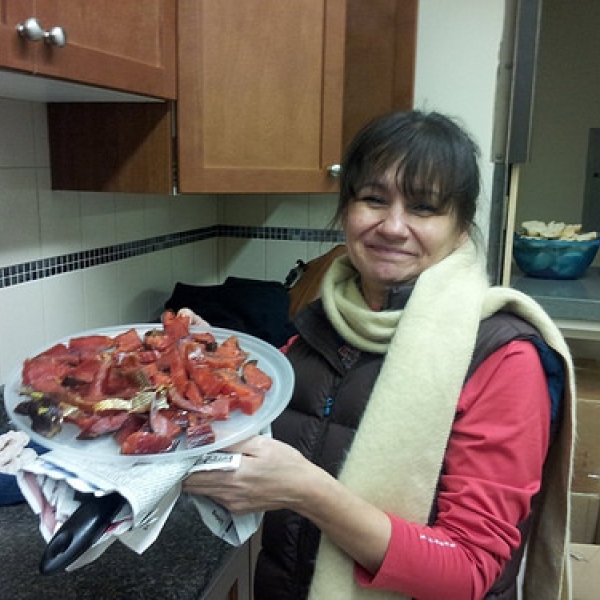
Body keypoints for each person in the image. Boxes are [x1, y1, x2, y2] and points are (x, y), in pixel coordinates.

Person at [182, 110, 575, 600]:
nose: (393, 226)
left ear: (460, 227)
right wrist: (208, 363)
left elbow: (471, 570)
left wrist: (309, 491)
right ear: (347, 209)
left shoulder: (504, 357)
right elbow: (281, 408)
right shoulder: (323, 320)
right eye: (373, 199)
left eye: (424, 207)